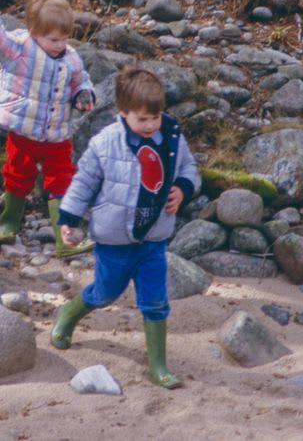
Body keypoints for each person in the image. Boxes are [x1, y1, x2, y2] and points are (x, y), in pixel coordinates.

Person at [50, 66, 200, 389]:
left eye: (155, 117)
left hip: (153, 238)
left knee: (155, 300)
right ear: (123, 114)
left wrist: (184, 187)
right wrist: (68, 218)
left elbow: (188, 166)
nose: (150, 125)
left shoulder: (171, 138)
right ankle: (70, 313)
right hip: (114, 239)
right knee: (105, 293)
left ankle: (157, 366)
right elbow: (84, 182)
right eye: (141, 119)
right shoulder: (106, 142)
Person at [0, 0, 95, 257]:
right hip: (23, 132)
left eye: (64, 38)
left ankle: (65, 239)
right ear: (33, 32)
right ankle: (8, 222)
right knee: (17, 174)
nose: (60, 44)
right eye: (53, 39)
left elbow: (81, 80)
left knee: (62, 181)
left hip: (57, 135)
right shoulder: (18, 49)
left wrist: (83, 95)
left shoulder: (71, 58)